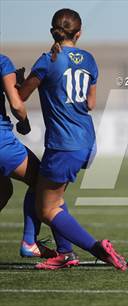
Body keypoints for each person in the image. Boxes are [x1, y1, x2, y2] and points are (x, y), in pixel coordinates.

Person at [17, 8, 126, 270]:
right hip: (87, 140)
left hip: (63, 144)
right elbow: (90, 103)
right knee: (54, 199)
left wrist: (19, 80)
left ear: (52, 31)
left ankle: (98, 248)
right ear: (79, 33)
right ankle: (64, 253)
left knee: (47, 210)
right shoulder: (88, 59)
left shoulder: (47, 60)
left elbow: (20, 96)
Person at [0, 54, 56, 259]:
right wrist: (24, 122)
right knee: (41, 179)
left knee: (3, 189)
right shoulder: (2, 62)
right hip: (1, 143)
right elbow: (16, 104)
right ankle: (30, 242)